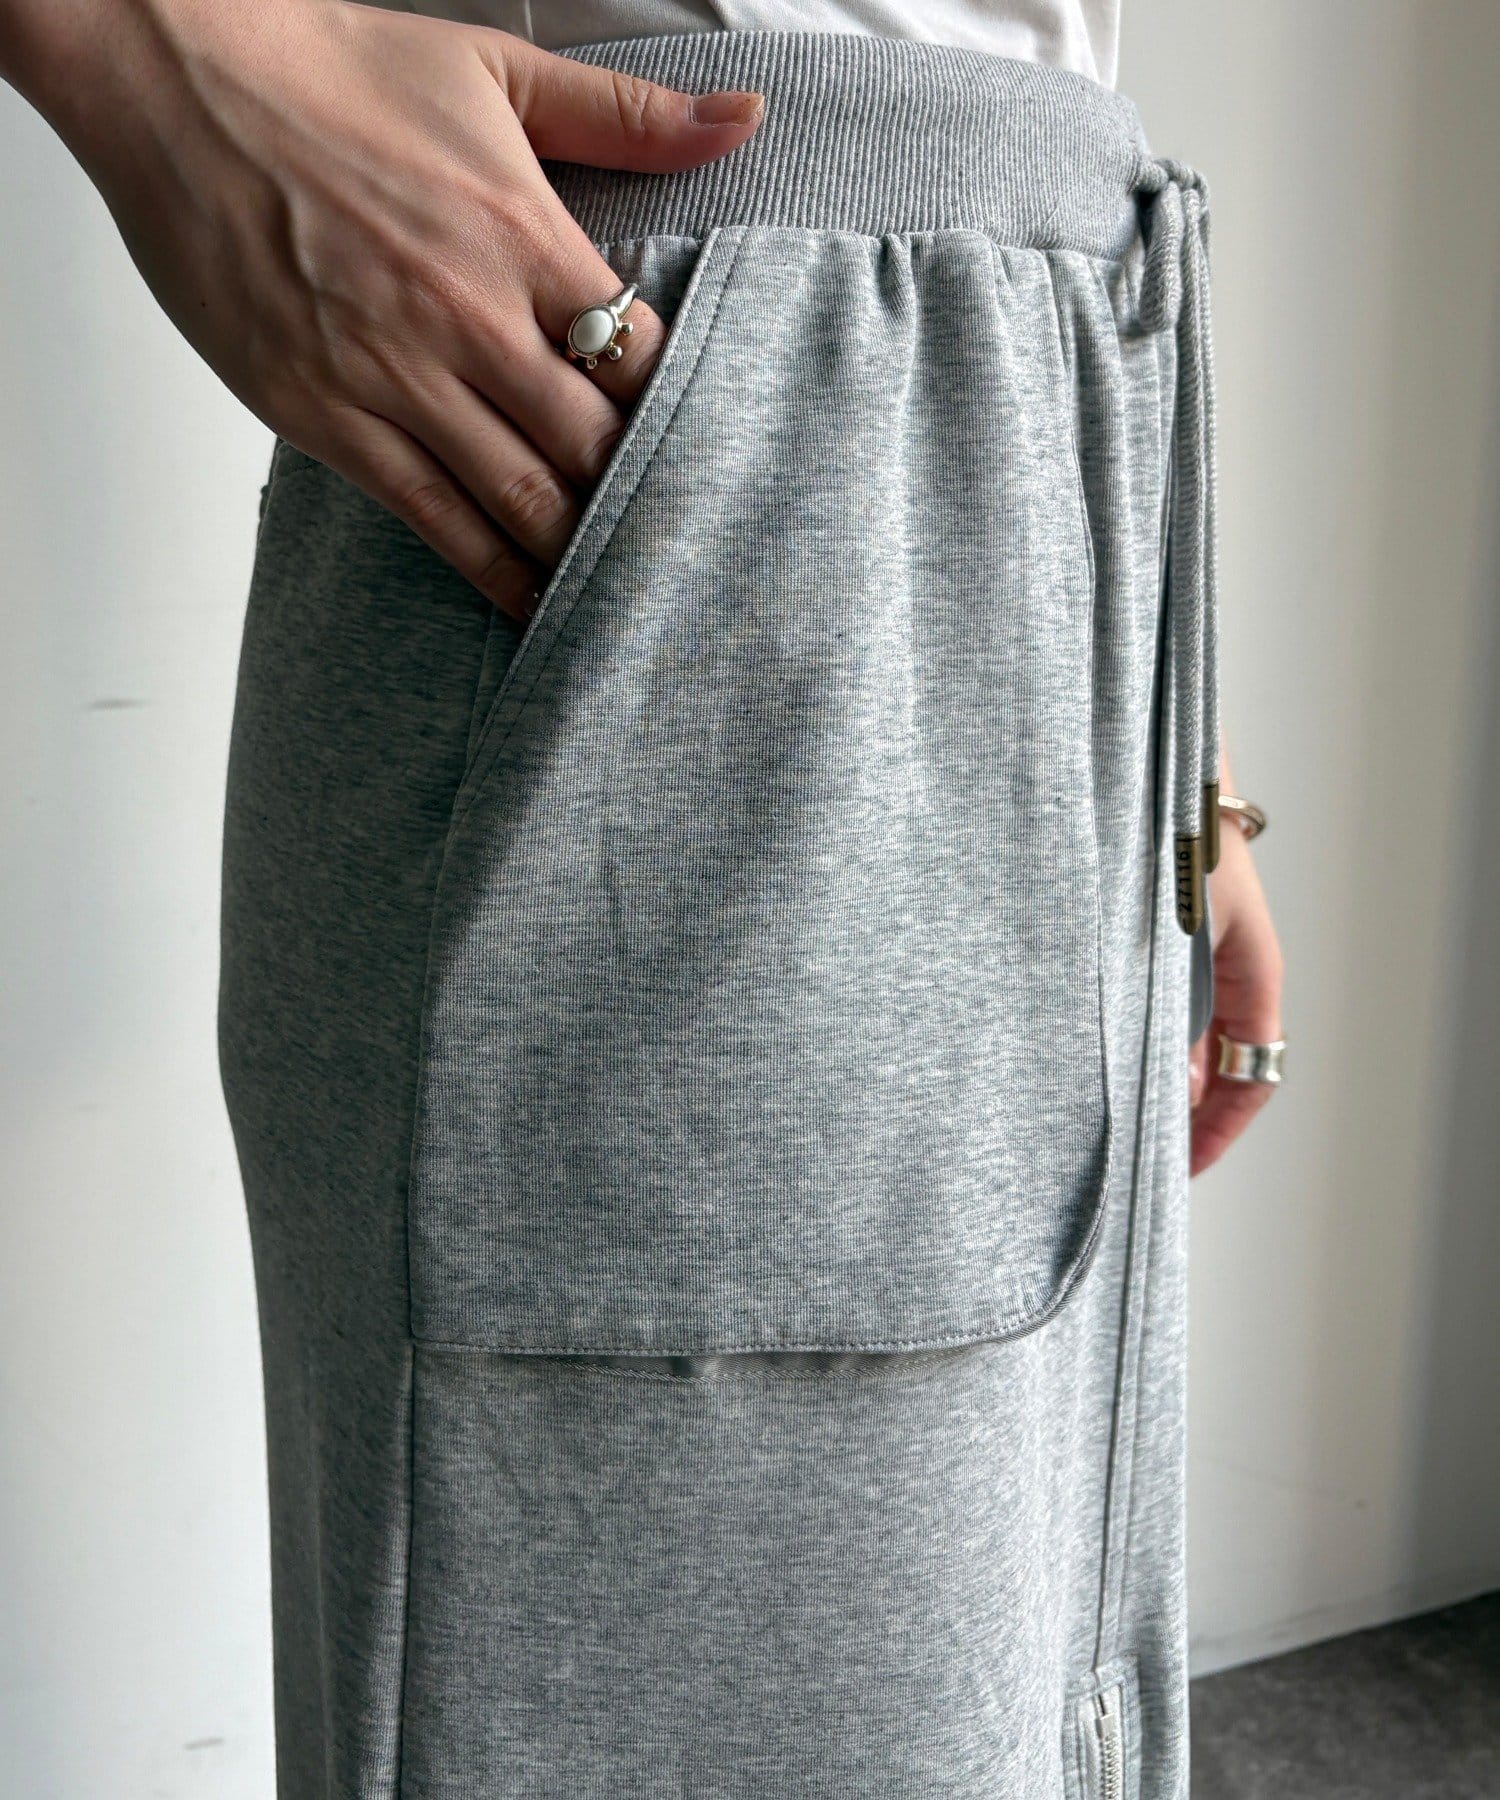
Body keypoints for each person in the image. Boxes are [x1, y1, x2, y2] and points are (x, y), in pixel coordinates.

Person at [0, 0, 1285, 1793]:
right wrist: (156, 50)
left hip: (1057, 395)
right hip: (659, 365)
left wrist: (1166, 769)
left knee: (1016, 1687)